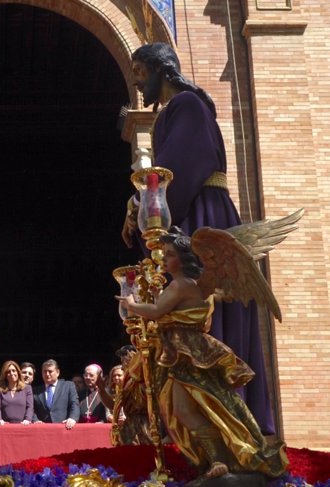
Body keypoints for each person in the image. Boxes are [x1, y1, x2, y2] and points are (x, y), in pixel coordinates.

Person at [121, 42, 273, 434]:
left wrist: (144, 204)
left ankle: (227, 431)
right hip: (193, 216)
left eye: (140, 72)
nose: (137, 83)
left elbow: (179, 171)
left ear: (160, 70)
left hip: (203, 215)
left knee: (203, 314)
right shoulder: (174, 112)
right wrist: (140, 203)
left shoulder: (186, 105)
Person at [116, 230, 287, 480]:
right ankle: (216, 459)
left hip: (186, 354)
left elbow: (156, 311)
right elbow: (165, 311)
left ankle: (219, 458)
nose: (164, 260)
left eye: (170, 255)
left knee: (187, 408)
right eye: (164, 254)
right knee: (194, 407)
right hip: (185, 352)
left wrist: (131, 305)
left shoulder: (181, 284)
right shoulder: (190, 285)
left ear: (185, 259)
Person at [113, 345, 151, 445]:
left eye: (125, 362)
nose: (122, 366)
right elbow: (115, 405)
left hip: (145, 425)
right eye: (122, 362)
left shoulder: (145, 379)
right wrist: (101, 390)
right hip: (130, 425)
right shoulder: (124, 382)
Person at [32, 359, 79, 429]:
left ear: (57, 372)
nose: (47, 374)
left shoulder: (68, 386)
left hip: (64, 427)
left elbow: (74, 403)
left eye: (50, 371)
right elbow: (31, 408)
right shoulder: (35, 390)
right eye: (45, 371)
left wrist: (72, 418)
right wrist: (35, 420)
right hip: (42, 429)